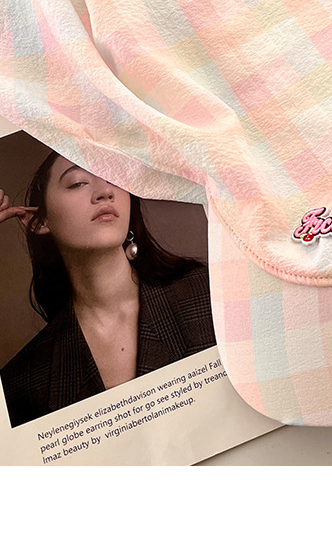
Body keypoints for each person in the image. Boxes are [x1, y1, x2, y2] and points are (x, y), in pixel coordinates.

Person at [0, 151, 216, 427]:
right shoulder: (20, 384)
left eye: (114, 177)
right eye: (77, 183)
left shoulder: (209, 295)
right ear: (39, 222)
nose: (105, 192)